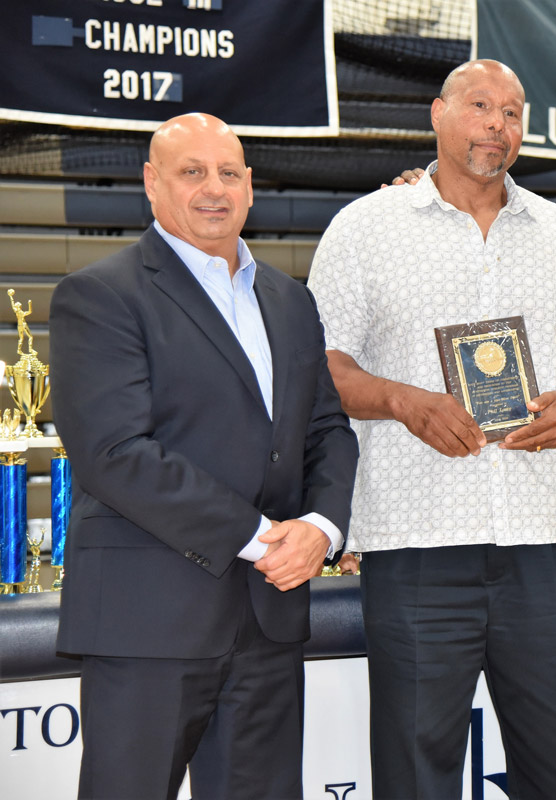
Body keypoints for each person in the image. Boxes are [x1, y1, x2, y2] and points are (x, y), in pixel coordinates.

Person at [306, 59, 556, 800]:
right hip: (415, 547)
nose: (497, 125)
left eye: (512, 113)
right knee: (417, 775)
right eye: (480, 106)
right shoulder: (363, 228)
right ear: (439, 115)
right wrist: (403, 401)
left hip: (540, 545)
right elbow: (322, 369)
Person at [50, 112, 359, 799]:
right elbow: (115, 453)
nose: (212, 189)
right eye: (192, 172)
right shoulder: (99, 295)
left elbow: (328, 432)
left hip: (269, 623)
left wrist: (323, 529)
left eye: (227, 173)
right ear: (152, 185)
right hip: (147, 624)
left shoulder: (290, 300)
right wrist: (260, 538)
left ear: (250, 187)